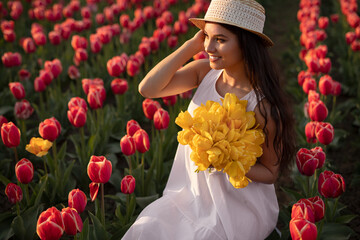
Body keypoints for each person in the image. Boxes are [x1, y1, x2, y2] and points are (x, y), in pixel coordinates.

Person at [122, 0, 296, 239]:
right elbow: (148, 88)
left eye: (221, 40)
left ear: (246, 45)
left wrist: (229, 159)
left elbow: (270, 173)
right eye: (207, 37)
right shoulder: (204, 73)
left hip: (235, 207)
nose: (209, 47)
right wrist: (189, 46)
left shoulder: (262, 107)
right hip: (187, 195)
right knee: (146, 230)